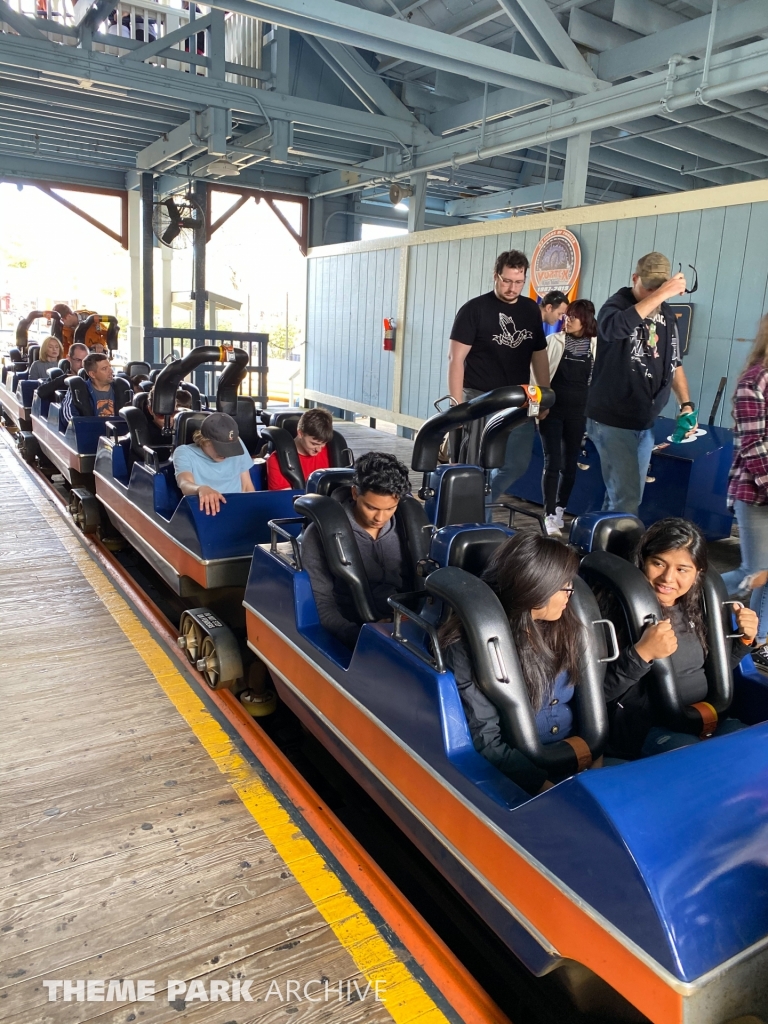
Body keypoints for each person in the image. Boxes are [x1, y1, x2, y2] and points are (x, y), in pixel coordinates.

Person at [439, 533, 584, 796]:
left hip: (575, 758)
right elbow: (486, 741)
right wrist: (548, 791)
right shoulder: (467, 645)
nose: (569, 594)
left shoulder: (565, 625)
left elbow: (590, 702)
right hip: (521, 776)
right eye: (562, 586)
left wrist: (591, 759)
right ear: (535, 586)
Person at [601, 518, 757, 760]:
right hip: (648, 729)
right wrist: (641, 655)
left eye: (682, 569)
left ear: (698, 573)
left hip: (708, 715)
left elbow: (718, 669)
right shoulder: (614, 612)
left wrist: (744, 641)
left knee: (754, 750)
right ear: (642, 561)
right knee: (696, 763)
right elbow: (598, 694)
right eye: (658, 564)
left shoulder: (701, 608)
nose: (668, 578)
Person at [586, 252, 696, 516]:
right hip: (612, 420)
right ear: (634, 278)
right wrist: (660, 295)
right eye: (648, 287)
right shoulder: (616, 304)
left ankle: (596, 549)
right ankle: (618, 554)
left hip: (644, 421)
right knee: (626, 501)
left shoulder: (667, 314)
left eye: (658, 288)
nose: (652, 294)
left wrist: (686, 404)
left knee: (623, 498)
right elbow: (612, 329)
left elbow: (674, 362)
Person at [447, 250, 550, 502]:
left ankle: (484, 501)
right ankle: (477, 516)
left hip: (519, 398)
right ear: (496, 276)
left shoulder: (530, 310)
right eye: (506, 280)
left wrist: (544, 396)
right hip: (481, 397)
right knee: (480, 465)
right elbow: (456, 358)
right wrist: (456, 403)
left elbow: (539, 354)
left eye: (518, 282)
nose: (512, 287)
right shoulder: (474, 310)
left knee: (517, 463)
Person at [301, 452, 411, 648]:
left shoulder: (409, 528)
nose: (380, 518)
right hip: (352, 629)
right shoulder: (320, 535)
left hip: (407, 624)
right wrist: (358, 634)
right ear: (354, 493)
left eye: (390, 508)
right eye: (371, 507)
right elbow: (321, 604)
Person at [722, 313, 768, 669]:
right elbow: (753, 445)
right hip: (756, 492)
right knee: (754, 571)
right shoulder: (754, 381)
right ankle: (696, 599)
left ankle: (760, 639)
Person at [535, 299, 597, 536]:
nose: (567, 320)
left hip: (578, 413)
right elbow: (537, 374)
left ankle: (561, 508)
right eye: (566, 315)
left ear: (586, 320)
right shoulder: (553, 341)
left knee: (570, 464)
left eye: (573, 316)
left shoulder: (596, 346)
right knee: (552, 462)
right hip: (551, 410)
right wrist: (539, 405)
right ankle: (548, 513)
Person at [173, 412, 255, 515]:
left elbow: (247, 486)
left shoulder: (238, 444)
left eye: (230, 448)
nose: (226, 454)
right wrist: (200, 489)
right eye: (221, 448)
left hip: (236, 509)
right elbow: (184, 483)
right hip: (205, 511)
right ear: (204, 439)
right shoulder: (184, 452)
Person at [267, 408, 333, 490]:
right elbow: (284, 500)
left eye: (323, 444)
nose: (319, 450)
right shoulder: (276, 461)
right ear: (300, 434)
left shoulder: (332, 452)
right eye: (314, 444)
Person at [61, 352, 116, 422]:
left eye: (110, 366)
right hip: (89, 431)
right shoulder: (77, 390)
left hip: (118, 432)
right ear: (92, 374)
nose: (111, 371)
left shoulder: (121, 388)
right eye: (104, 369)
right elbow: (68, 417)